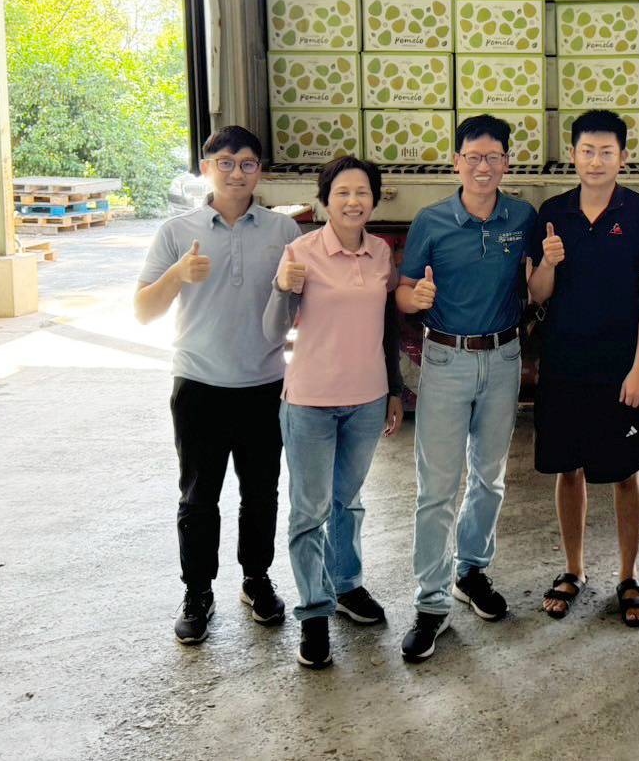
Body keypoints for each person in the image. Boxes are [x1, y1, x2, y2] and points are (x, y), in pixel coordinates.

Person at [134, 125, 301, 645]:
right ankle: (197, 591)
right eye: (225, 162)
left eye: (247, 163)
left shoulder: (283, 231)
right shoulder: (176, 231)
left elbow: (301, 307)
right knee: (198, 496)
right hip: (199, 384)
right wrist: (177, 275)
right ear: (206, 169)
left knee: (262, 494)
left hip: (264, 383)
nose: (236, 172)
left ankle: (256, 580)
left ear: (260, 171)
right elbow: (143, 311)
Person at [395, 115, 537, 662]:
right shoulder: (431, 220)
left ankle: (471, 572)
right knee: (436, 487)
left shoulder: (521, 217)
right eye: (473, 157)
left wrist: (547, 267)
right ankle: (430, 603)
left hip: (503, 357)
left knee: (490, 477)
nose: (483, 166)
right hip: (446, 359)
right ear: (456, 162)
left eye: (493, 157)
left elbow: (537, 284)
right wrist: (415, 299)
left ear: (506, 163)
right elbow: (404, 291)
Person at [262, 156, 406, 670]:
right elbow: (272, 331)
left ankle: (347, 586)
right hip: (309, 402)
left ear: (374, 199)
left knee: (348, 502)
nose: (352, 201)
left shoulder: (380, 253)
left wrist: (395, 389)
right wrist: (282, 287)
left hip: (367, 399)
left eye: (362, 192)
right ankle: (314, 612)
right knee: (310, 511)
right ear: (325, 200)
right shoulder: (300, 252)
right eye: (342, 192)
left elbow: (387, 326)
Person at [527, 110, 639, 628]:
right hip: (563, 365)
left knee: (625, 473)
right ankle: (574, 569)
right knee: (569, 469)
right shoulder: (553, 213)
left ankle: (629, 576)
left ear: (623, 157)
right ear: (573, 154)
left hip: (619, 368)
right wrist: (548, 262)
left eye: (607, 152)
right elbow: (537, 295)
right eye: (587, 150)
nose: (596, 160)